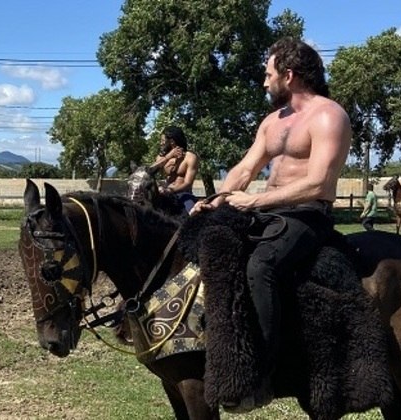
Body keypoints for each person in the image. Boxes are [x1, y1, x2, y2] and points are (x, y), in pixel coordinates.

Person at [191, 37, 352, 411]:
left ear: (289, 75)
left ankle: (261, 372)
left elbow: (319, 183)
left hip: (309, 214)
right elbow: (245, 169)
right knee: (212, 246)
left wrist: (255, 201)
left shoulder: (329, 116)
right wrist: (216, 201)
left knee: (260, 264)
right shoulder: (272, 122)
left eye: (268, 74)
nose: (264, 83)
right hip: (268, 211)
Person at [149, 126, 200, 214]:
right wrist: (169, 156)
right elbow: (149, 171)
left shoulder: (190, 157)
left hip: (184, 195)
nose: (161, 143)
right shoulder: (161, 158)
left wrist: (170, 191)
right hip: (164, 195)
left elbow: (188, 183)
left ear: (171, 141)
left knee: (192, 214)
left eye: (163, 141)